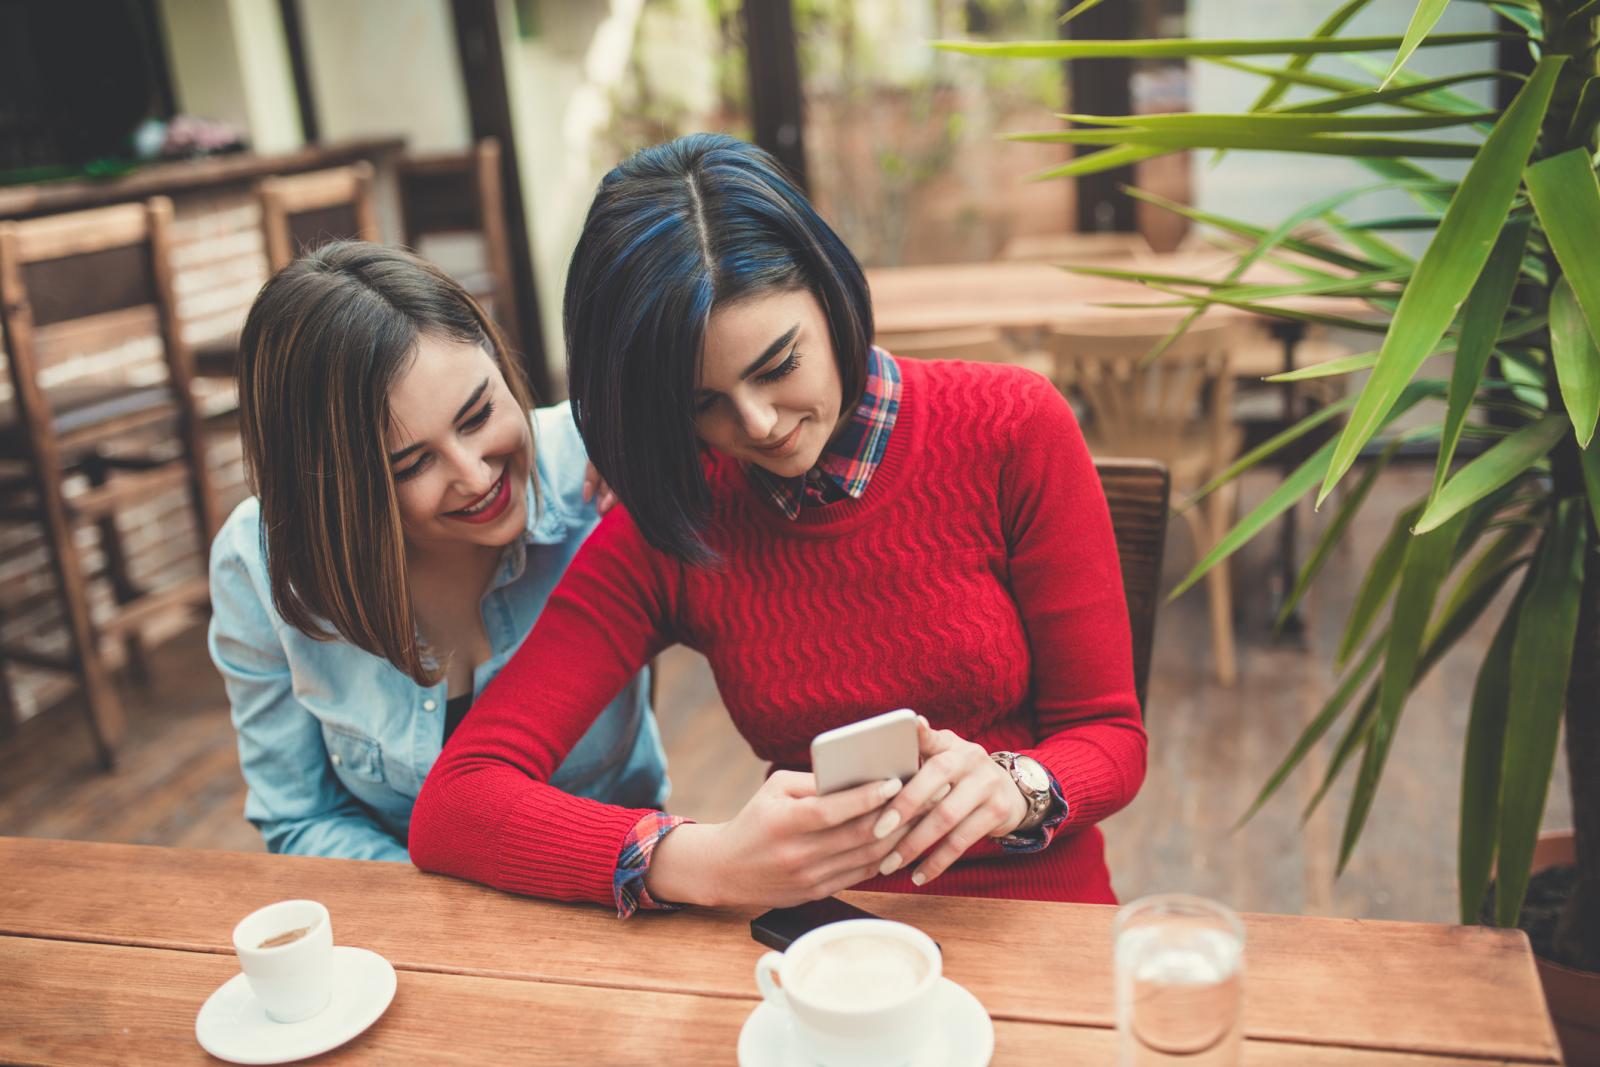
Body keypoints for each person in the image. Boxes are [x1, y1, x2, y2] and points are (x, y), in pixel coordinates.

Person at [410, 134, 1145, 913]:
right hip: (823, 939)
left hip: (1043, 919)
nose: (757, 425)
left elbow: (1107, 732)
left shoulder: (1010, 428)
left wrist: (1016, 786)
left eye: (777, 365)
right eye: (703, 402)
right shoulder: (682, 513)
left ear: (828, 292)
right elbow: (457, 801)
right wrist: (700, 859)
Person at [208, 243, 668, 861]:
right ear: (337, 490)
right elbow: (301, 818)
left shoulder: (596, 467)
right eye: (413, 463)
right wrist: (467, 906)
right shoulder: (260, 568)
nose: (476, 476)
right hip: (413, 920)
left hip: (632, 886)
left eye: (478, 415)